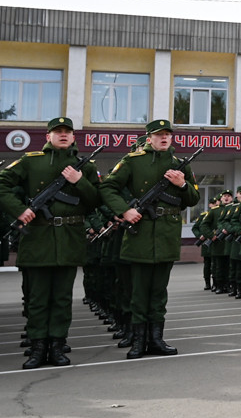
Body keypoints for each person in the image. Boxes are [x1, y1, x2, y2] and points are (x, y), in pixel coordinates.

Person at [0, 117, 102, 368]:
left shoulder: (84, 166)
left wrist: (80, 182)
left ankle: (57, 346)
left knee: (61, 298)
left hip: (69, 239)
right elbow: (2, 183)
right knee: (37, 298)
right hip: (38, 238)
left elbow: (96, 201)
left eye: (67, 131)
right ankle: (37, 348)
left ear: (73, 136)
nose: (63, 135)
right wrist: (20, 210)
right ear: (48, 136)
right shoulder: (30, 161)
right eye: (58, 132)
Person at [99, 119, 200, 358]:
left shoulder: (179, 165)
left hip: (167, 233)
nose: (164, 138)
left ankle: (156, 339)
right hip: (141, 233)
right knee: (139, 292)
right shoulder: (132, 161)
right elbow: (108, 188)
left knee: (158, 292)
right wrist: (125, 210)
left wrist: (182, 184)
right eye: (158, 135)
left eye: (167, 134)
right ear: (149, 137)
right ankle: (138, 340)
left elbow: (193, 199)